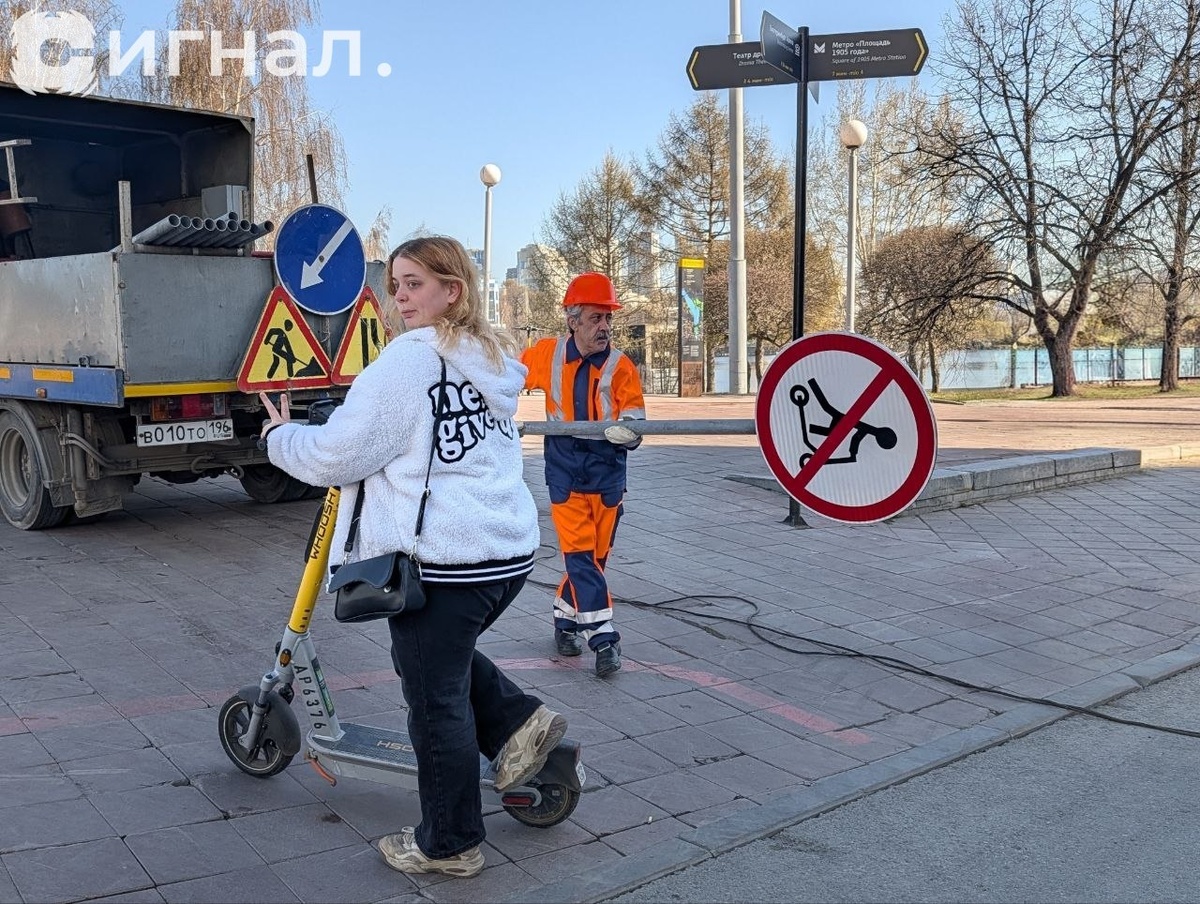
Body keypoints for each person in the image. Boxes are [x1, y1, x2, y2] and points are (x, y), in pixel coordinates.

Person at [258, 236, 567, 879]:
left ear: (452, 290)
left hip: (445, 562)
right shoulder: (487, 357)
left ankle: (449, 844)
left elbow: (338, 455)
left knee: (434, 702)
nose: (399, 297)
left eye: (415, 284)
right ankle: (520, 725)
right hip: (504, 554)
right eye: (395, 284)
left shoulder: (408, 362)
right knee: (435, 660)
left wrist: (279, 437)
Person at [521, 272, 646, 677]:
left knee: (594, 559)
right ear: (572, 320)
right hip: (565, 470)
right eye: (595, 318)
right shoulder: (547, 354)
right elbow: (507, 375)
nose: (604, 326)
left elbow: (635, 417)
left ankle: (564, 619)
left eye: (608, 318)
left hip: (607, 472)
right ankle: (603, 638)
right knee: (578, 555)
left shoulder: (621, 366)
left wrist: (629, 432)